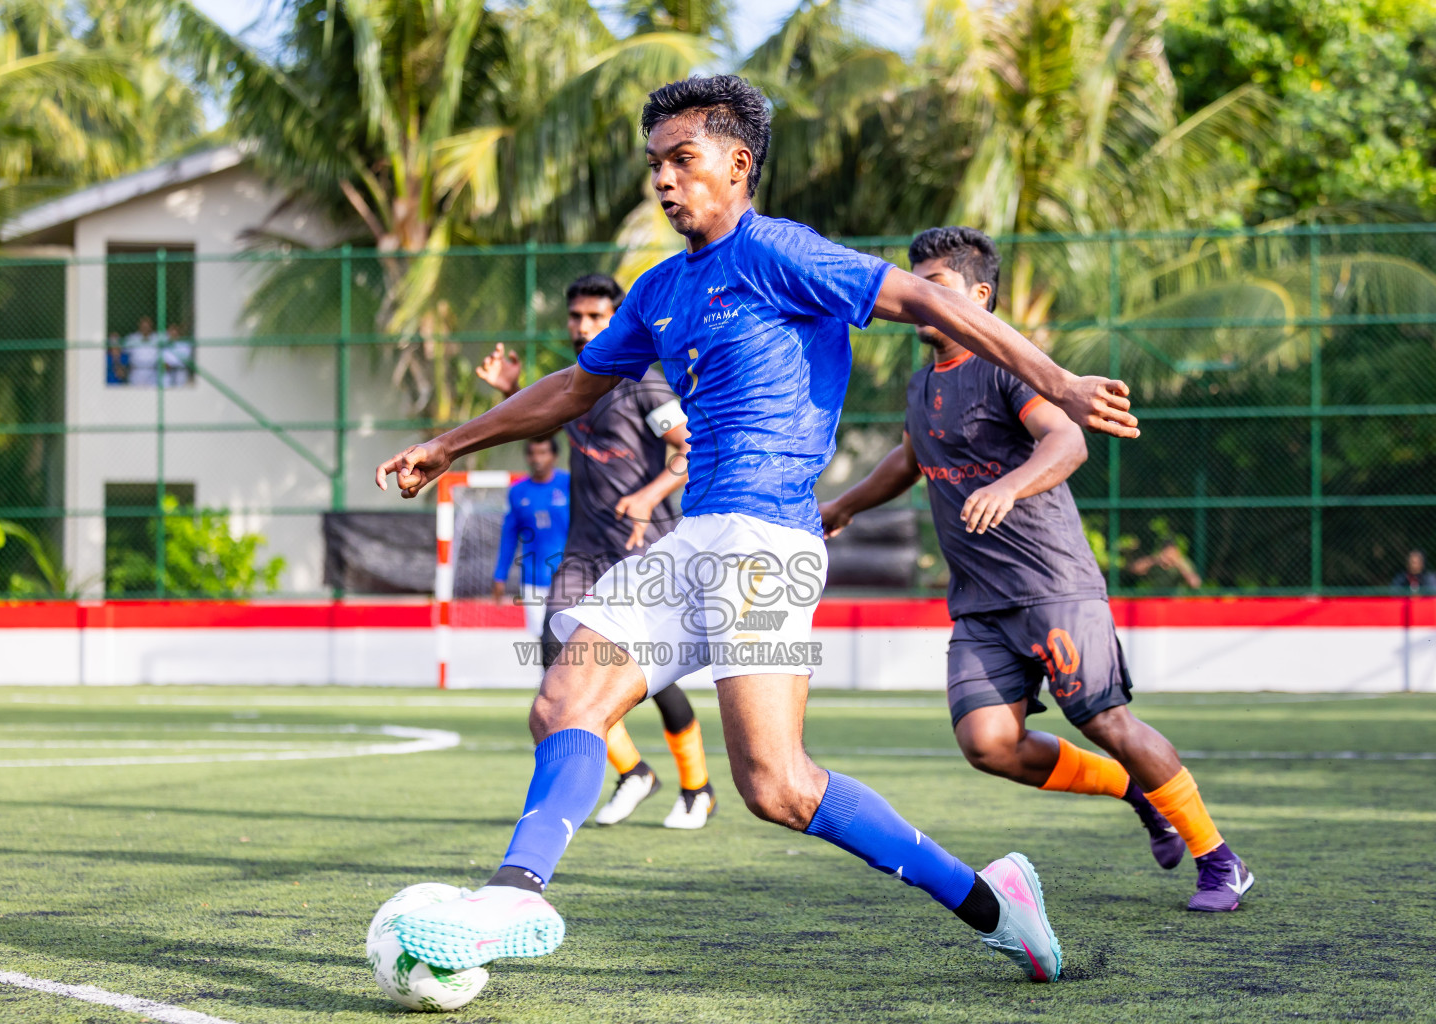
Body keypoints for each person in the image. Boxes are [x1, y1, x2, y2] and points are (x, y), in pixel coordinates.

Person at [375, 75, 1137, 985]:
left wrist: (1057, 383)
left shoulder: (784, 252)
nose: (663, 181)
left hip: (766, 545)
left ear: (738, 166)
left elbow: (935, 304)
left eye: (681, 160)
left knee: (777, 787)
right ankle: (517, 890)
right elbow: (573, 389)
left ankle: (990, 901)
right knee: (561, 701)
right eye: (654, 164)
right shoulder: (659, 288)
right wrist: (449, 444)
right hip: (695, 540)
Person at [820, 226, 1252, 913]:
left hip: (1053, 584)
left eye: (939, 286)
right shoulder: (922, 382)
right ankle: (1134, 791)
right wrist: (841, 507)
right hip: (979, 601)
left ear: (980, 296)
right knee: (988, 743)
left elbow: (1068, 438)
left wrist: (1009, 486)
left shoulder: (1005, 366)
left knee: (1106, 721)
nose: (921, 299)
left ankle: (1220, 860)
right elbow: (909, 460)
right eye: (917, 285)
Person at [477, 273, 717, 830]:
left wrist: (649, 494)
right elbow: (537, 419)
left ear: (617, 319)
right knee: (557, 655)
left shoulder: (645, 385)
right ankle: (633, 771)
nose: (583, 328)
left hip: (643, 545)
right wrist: (510, 392)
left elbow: (690, 448)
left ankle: (698, 787)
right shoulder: (577, 383)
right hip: (586, 548)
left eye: (595, 317)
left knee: (651, 676)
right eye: (575, 317)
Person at [492, 436, 570, 638]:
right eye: (532, 453)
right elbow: (509, 536)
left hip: (569, 578)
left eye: (543, 452)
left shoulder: (569, 484)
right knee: (543, 640)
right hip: (533, 580)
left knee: (570, 640)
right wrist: (500, 575)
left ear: (554, 456)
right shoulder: (518, 492)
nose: (537, 459)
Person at [123, 316, 162, 388]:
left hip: (153, 372)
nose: (145, 329)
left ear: (151, 327)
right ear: (139, 326)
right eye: (143, 326)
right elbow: (124, 354)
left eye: (147, 326)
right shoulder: (132, 338)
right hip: (136, 372)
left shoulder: (157, 338)